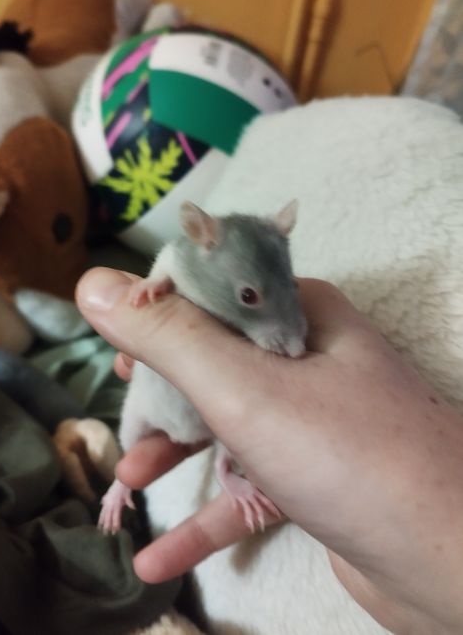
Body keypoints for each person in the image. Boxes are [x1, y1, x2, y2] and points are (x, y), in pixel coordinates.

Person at [76, 267, 463, 635]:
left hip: (211, 422)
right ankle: (120, 486)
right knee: (135, 442)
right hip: (163, 406)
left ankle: (140, 481)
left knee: (214, 436)